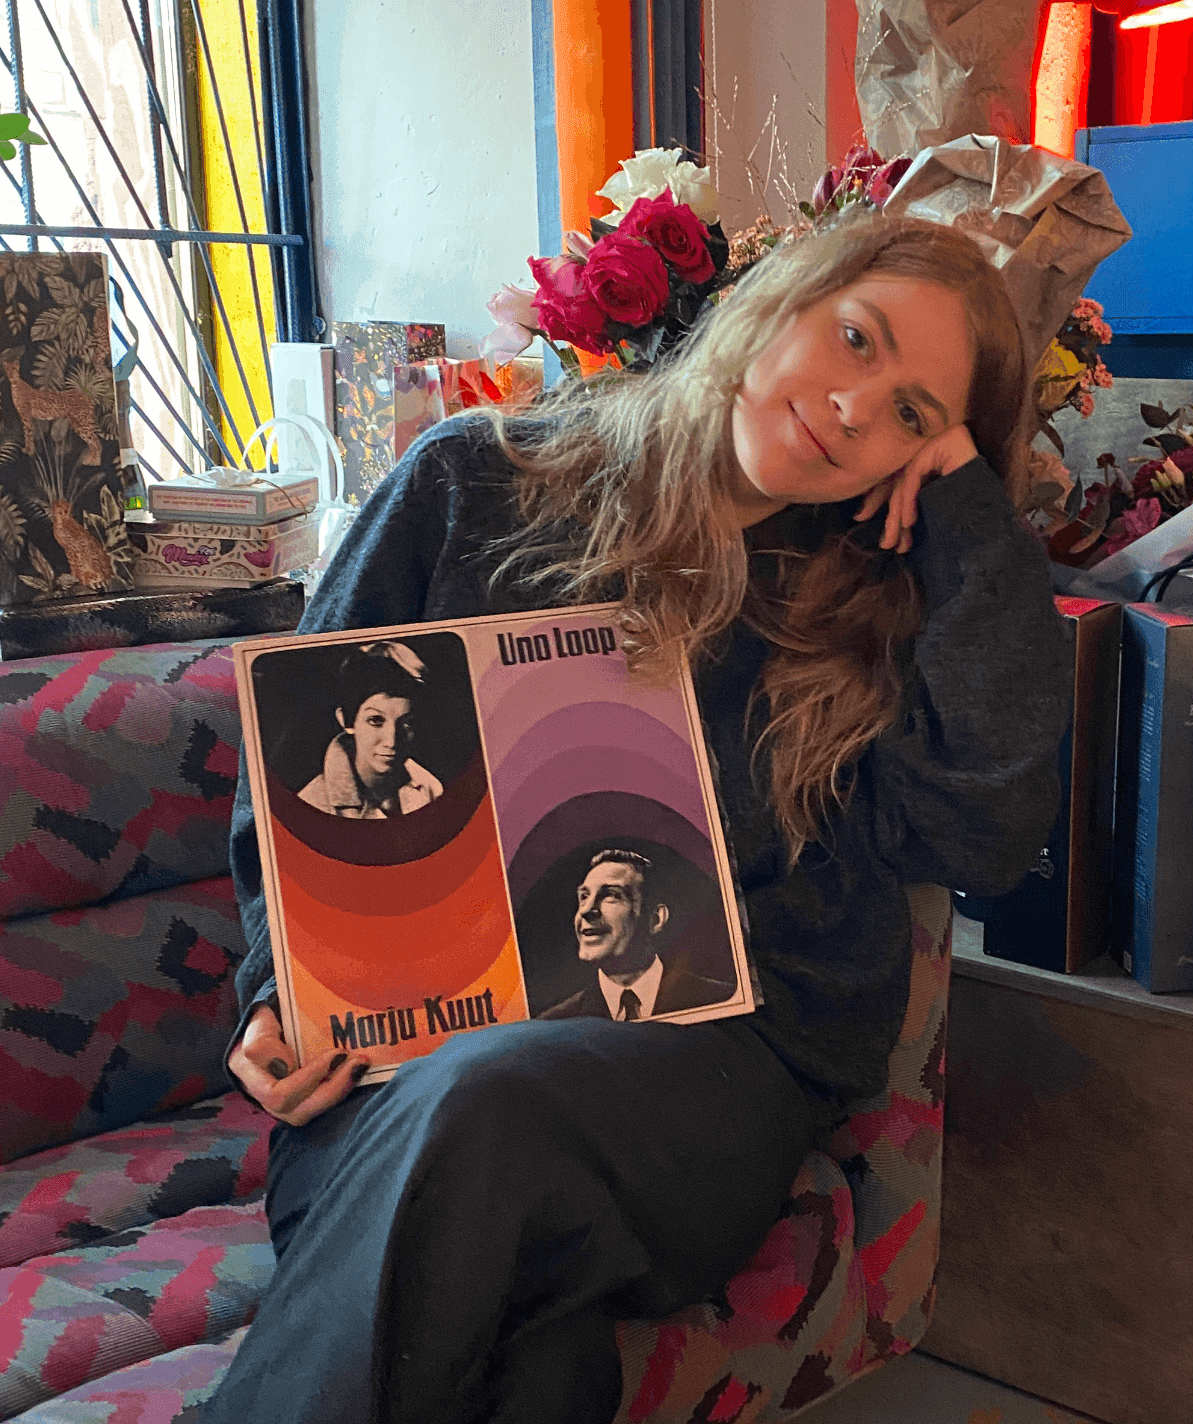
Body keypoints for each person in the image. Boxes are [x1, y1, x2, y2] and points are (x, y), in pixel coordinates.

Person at [208, 210, 1075, 1424]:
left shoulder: (875, 612)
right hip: (400, 1069)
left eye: (912, 414)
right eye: (856, 338)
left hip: (708, 1077)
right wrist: (280, 992)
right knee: (534, 1370)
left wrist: (972, 519)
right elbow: (299, 765)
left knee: (488, 1100)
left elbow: (988, 831)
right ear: (782, 296)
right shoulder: (475, 482)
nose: (853, 408)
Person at [542, 848, 735, 1021]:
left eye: (611, 895)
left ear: (655, 920)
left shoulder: (720, 999)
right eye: (584, 897)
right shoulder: (557, 1023)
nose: (586, 911)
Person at [295, 640, 442, 819]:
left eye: (407, 723)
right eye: (375, 721)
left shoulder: (430, 787)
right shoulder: (312, 805)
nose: (391, 741)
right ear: (347, 721)